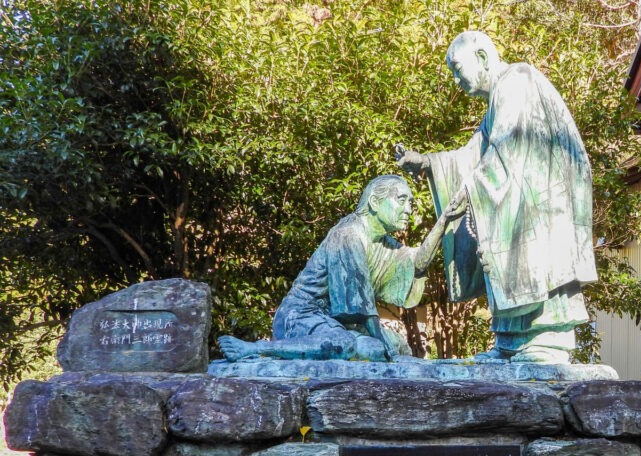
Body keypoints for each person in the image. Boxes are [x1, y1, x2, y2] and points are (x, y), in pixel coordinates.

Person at [396, 31, 597, 364]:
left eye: (458, 68)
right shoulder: (497, 102)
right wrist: (429, 163)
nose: (456, 79)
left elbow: (508, 149)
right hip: (528, 207)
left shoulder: (518, 81)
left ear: (483, 57)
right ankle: (512, 344)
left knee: (531, 265)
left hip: (542, 209)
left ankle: (545, 343)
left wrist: (470, 188)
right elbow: (473, 156)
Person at [218, 175, 456, 362]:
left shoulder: (382, 241)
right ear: (374, 202)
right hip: (301, 316)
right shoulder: (349, 235)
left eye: (411, 203)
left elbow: (416, 263)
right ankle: (258, 349)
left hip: (336, 323)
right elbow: (360, 304)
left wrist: (443, 222)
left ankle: (355, 343)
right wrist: (381, 341)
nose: (408, 210)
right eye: (402, 200)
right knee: (349, 343)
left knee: (393, 345)